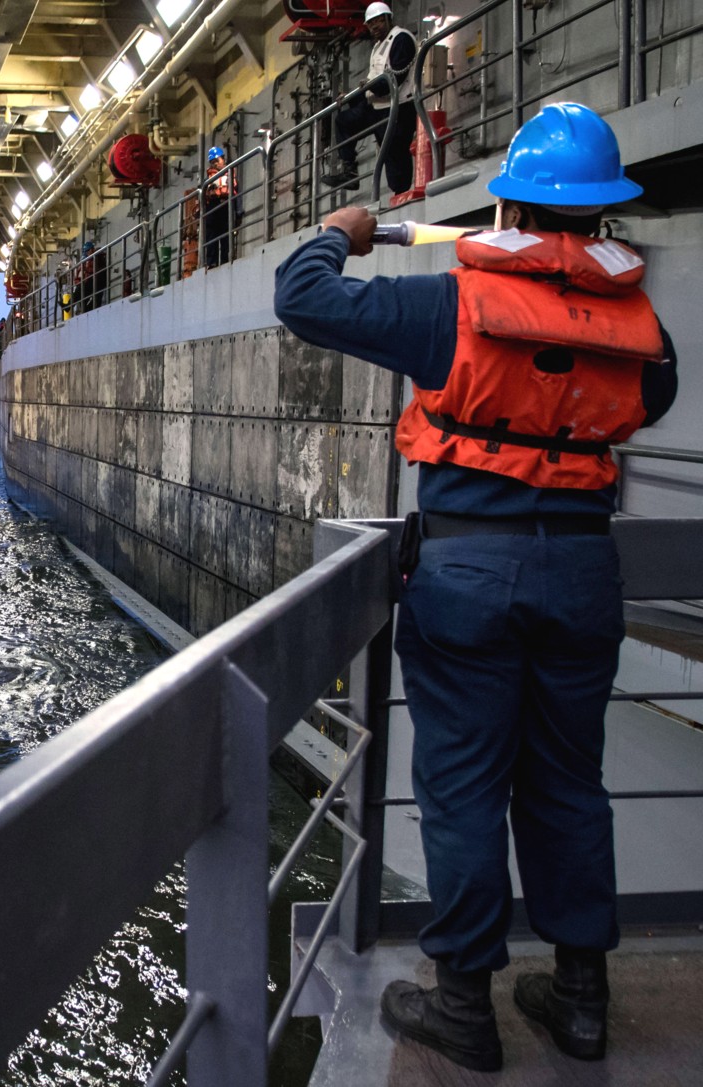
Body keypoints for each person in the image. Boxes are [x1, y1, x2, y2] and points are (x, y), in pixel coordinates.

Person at [274, 102, 676, 1072]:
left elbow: (302, 294)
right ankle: (579, 1000)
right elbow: (647, 399)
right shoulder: (641, 333)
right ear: (599, 216)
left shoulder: (450, 308)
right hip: (581, 575)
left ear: (505, 207)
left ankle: (463, 1008)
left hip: (466, 577)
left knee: (460, 791)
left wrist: (342, 229)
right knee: (569, 788)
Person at [325, 2, 417, 193]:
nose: (374, 27)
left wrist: (368, 87)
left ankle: (401, 194)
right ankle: (350, 171)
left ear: (388, 19)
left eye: (378, 22)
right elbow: (373, 80)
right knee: (344, 121)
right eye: (370, 24)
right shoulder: (377, 47)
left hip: (398, 107)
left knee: (395, 155)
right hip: (377, 107)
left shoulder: (401, 39)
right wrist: (353, 95)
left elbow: (395, 78)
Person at [201, 146, 240, 269]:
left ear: (223, 159)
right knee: (211, 234)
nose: (215, 164)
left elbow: (236, 193)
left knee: (226, 233)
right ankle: (211, 261)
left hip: (226, 206)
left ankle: (226, 259)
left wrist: (239, 211)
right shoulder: (207, 180)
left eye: (217, 160)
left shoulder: (230, 175)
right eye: (213, 162)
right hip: (213, 208)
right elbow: (202, 195)